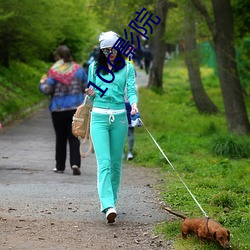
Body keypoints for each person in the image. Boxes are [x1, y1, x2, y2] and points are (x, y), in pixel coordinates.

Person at [85, 31, 138, 223]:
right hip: (98, 118)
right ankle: (107, 205)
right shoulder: (94, 67)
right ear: (101, 51)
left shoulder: (128, 68)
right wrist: (90, 92)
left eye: (113, 49)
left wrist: (133, 104)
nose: (110, 53)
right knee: (104, 163)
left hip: (120, 119)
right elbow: (91, 97)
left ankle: (112, 201)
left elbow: (131, 90)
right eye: (106, 50)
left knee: (116, 164)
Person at [39, 45, 87, 175]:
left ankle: (60, 167)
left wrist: (42, 83)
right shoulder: (79, 70)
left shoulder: (54, 71)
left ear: (58, 57)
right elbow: (86, 87)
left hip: (58, 109)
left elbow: (47, 90)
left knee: (60, 138)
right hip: (75, 109)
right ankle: (75, 163)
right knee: (74, 136)